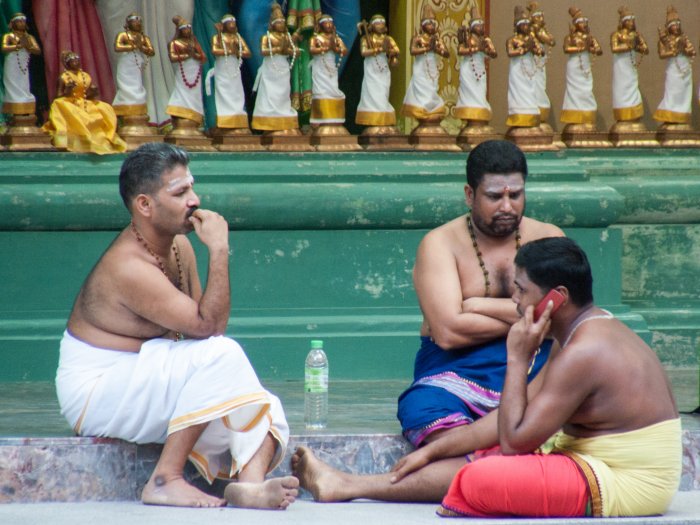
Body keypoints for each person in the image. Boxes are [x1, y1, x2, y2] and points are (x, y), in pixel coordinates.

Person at [292, 140, 564, 503]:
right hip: (454, 374)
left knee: (570, 392)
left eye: (516, 194)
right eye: (494, 195)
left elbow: (561, 316)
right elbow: (449, 332)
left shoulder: (548, 238)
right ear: (469, 194)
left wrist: (475, 304)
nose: (507, 206)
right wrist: (529, 317)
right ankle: (509, 462)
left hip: (533, 367)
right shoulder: (440, 244)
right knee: (424, 408)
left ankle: (348, 484)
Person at [55, 142, 298, 509]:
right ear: (145, 205)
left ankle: (249, 485)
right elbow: (209, 327)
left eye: (192, 187)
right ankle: (165, 479)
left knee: (262, 404)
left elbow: (200, 329)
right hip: (96, 391)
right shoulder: (129, 267)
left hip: (146, 378)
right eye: (180, 192)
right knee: (223, 353)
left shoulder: (178, 247)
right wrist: (218, 250)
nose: (195, 200)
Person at [438, 237, 681, 517]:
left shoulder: (583, 352)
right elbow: (514, 418)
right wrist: (432, 451)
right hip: (593, 464)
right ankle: (374, 487)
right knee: (477, 459)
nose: (515, 300)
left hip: (627, 483)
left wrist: (517, 359)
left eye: (521, 290)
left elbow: (514, 443)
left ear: (557, 297)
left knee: (478, 477)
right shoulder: (579, 332)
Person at [42, 50, 127, 154]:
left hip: (84, 101)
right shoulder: (63, 77)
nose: (76, 63)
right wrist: (67, 92)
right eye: (73, 61)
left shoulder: (85, 76)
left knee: (105, 107)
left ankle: (105, 137)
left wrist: (94, 91)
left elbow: (88, 94)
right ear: (67, 64)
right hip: (69, 101)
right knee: (60, 104)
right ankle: (76, 140)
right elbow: (57, 96)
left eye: (78, 60)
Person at [251, 2, 300, 133]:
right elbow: (263, 51)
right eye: (278, 22)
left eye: (283, 22)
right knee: (270, 93)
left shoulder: (287, 36)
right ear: (272, 24)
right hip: (271, 68)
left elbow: (293, 50)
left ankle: (283, 117)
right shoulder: (267, 37)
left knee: (283, 92)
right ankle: (269, 121)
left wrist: (291, 50)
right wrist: (280, 49)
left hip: (283, 68)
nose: (281, 24)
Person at [401, 5, 449, 123]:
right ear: (423, 25)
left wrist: (437, 49)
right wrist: (427, 49)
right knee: (421, 89)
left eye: (433, 23)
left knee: (432, 89)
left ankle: (431, 113)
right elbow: (412, 51)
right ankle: (422, 113)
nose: (432, 26)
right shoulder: (418, 38)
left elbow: (446, 53)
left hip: (432, 68)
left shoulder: (437, 39)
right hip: (420, 68)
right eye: (429, 23)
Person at [652, 6, 696, 126]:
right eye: (673, 25)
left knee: (684, 92)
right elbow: (662, 54)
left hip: (685, 68)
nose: (676, 27)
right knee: (672, 90)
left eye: (677, 24)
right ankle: (670, 113)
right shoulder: (664, 40)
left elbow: (692, 51)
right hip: (673, 68)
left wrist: (687, 51)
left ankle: (682, 114)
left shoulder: (683, 38)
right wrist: (674, 52)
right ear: (669, 27)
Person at [355, 14, 400, 128]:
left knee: (383, 90)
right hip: (371, 68)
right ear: (372, 26)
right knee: (372, 90)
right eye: (378, 23)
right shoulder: (366, 38)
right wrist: (380, 49)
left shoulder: (388, 39)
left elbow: (397, 50)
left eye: (382, 23)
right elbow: (364, 52)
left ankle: (382, 116)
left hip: (383, 67)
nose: (381, 25)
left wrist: (390, 51)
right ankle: (372, 117)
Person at [561, 7, 603, 127]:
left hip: (585, 65)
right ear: (575, 25)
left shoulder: (589, 37)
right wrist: (582, 48)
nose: (583, 24)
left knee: (586, 89)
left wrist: (594, 48)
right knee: (574, 89)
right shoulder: (570, 37)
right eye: (580, 22)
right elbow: (566, 49)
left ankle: (586, 113)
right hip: (574, 65)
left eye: (585, 22)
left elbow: (599, 50)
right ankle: (574, 113)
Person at [454, 6, 497, 125]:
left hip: (480, 69)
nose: (481, 28)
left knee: (480, 91)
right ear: (472, 27)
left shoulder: (486, 40)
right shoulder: (467, 39)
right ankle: (470, 117)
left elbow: (494, 54)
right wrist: (477, 49)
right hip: (468, 69)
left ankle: (479, 116)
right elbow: (460, 50)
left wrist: (487, 49)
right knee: (469, 92)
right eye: (478, 25)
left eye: (482, 25)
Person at [210, 14, 252, 130]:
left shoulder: (237, 37)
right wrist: (228, 51)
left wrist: (237, 52)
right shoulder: (217, 38)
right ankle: (224, 120)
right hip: (223, 67)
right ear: (224, 25)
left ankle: (238, 118)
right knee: (224, 91)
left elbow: (248, 53)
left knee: (236, 92)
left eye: (234, 23)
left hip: (234, 67)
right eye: (230, 23)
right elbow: (214, 50)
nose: (232, 25)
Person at [506, 6, 544, 128]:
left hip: (529, 69)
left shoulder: (531, 39)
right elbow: (510, 53)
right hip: (517, 70)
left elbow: (541, 52)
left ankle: (531, 115)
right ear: (517, 26)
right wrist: (524, 50)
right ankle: (518, 116)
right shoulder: (512, 40)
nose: (526, 27)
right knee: (518, 91)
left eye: (528, 24)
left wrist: (535, 49)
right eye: (523, 24)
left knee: (531, 90)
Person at [112, 13, 155, 118]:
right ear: (128, 23)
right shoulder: (123, 35)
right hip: (126, 64)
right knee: (125, 86)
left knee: (137, 85)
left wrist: (142, 48)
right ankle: (123, 109)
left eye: (139, 21)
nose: (137, 23)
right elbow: (117, 47)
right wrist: (135, 46)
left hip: (136, 64)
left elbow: (152, 52)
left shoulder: (144, 37)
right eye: (134, 21)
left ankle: (137, 108)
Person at [166, 16, 206, 129]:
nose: (187, 31)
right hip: (183, 71)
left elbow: (203, 57)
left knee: (195, 93)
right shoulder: (175, 43)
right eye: (185, 28)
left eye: (189, 28)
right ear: (180, 30)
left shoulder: (194, 43)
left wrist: (194, 55)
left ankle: (194, 118)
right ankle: (180, 114)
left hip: (194, 72)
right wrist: (188, 55)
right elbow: (173, 57)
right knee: (182, 90)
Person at [610, 6, 648, 123]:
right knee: (621, 87)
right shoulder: (616, 35)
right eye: (628, 20)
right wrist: (628, 46)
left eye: (633, 20)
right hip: (621, 67)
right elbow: (614, 48)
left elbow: (645, 50)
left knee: (632, 86)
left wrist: (640, 46)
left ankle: (634, 113)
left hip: (631, 67)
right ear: (623, 22)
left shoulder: (636, 35)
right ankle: (622, 113)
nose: (631, 23)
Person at [309, 14, 348, 126]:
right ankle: (320, 119)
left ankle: (334, 119)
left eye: (331, 23)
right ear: (321, 25)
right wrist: (326, 48)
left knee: (333, 89)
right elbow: (312, 50)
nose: (329, 25)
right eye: (326, 23)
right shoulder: (316, 38)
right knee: (321, 91)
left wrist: (335, 48)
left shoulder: (336, 38)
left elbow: (344, 50)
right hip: (320, 67)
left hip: (331, 67)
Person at [1, 12, 41, 117]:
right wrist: (18, 46)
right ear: (13, 23)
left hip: (24, 65)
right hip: (12, 63)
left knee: (24, 84)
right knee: (12, 84)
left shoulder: (29, 37)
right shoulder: (9, 36)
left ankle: (24, 108)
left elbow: (37, 50)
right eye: (19, 21)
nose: (22, 23)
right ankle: (14, 110)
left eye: (23, 21)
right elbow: (4, 48)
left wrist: (28, 47)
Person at [527, 2, 555, 124]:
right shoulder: (529, 33)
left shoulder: (541, 32)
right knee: (531, 83)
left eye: (541, 17)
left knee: (540, 83)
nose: (540, 19)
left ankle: (540, 109)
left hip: (539, 63)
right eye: (537, 17)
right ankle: (531, 108)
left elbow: (551, 41)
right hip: (529, 64)